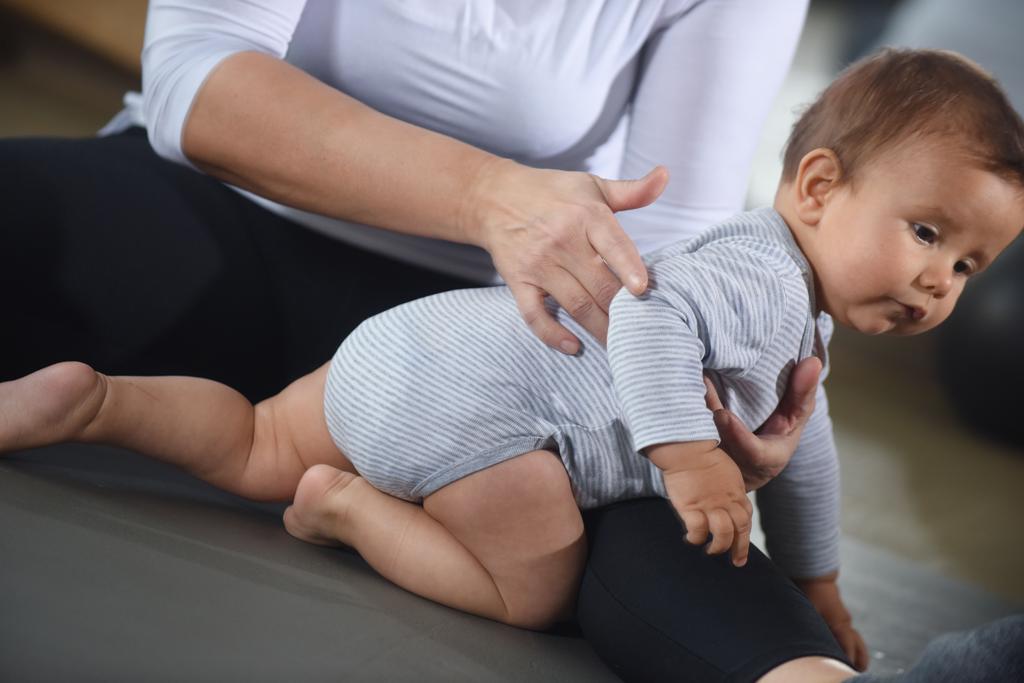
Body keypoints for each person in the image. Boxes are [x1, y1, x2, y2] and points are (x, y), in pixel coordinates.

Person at [5, 46, 1024, 682]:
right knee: (532, 588)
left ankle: (95, 400)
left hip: (416, 340)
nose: (940, 280)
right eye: (927, 232)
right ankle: (349, 509)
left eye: (971, 264)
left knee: (253, 435)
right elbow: (649, 318)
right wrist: (690, 458)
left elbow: (806, 453)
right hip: (483, 419)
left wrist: (820, 578)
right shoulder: (756, 277)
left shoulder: (796, 310)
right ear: (813, 185)